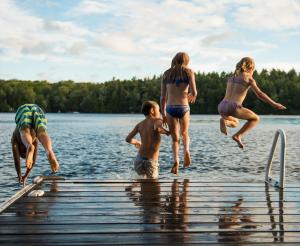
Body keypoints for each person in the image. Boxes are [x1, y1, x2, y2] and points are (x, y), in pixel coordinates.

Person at [218, 57, 286, 149]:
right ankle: (238, 135)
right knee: (255, 119)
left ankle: (225, 122)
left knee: (235, 122)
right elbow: (260, 94)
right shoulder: (249, 78)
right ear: (251, 68)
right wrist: (274, 104)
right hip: (233, 106)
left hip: (222, 105)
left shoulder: (231, 77)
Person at [160, 52, 197, 175]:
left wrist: (163, 114)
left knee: (175, 139)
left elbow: (162, 98)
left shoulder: (166, 74)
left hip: (170, 108)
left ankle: (176, 160)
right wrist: (191, 96)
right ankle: (186, 150)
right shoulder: (189, 72)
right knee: (185, 133)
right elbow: (194, 92)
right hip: (184, 107)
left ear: (174, 60)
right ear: (186, 60)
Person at [11, 104, 60, 186]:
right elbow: (32, 161)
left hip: (23, 110)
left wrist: (19, 175)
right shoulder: (33, 141)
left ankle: (29, 145)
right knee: (41, 133)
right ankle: (49, 150)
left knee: (25, 131)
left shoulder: (14, 141)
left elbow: (17, 161)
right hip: (36, 109)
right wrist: (26, 175)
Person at [126, 101, 170, 179]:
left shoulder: (140, 124)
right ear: (152, 110)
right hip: (151, 161)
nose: (159, 112)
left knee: (143, 182)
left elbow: (128, 139)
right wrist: (167, 132)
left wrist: (136, 142)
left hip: (139, 160)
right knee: (153, 188)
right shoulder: (158, 120)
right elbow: (157, 128)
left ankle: (133, 186)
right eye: (158, 110)